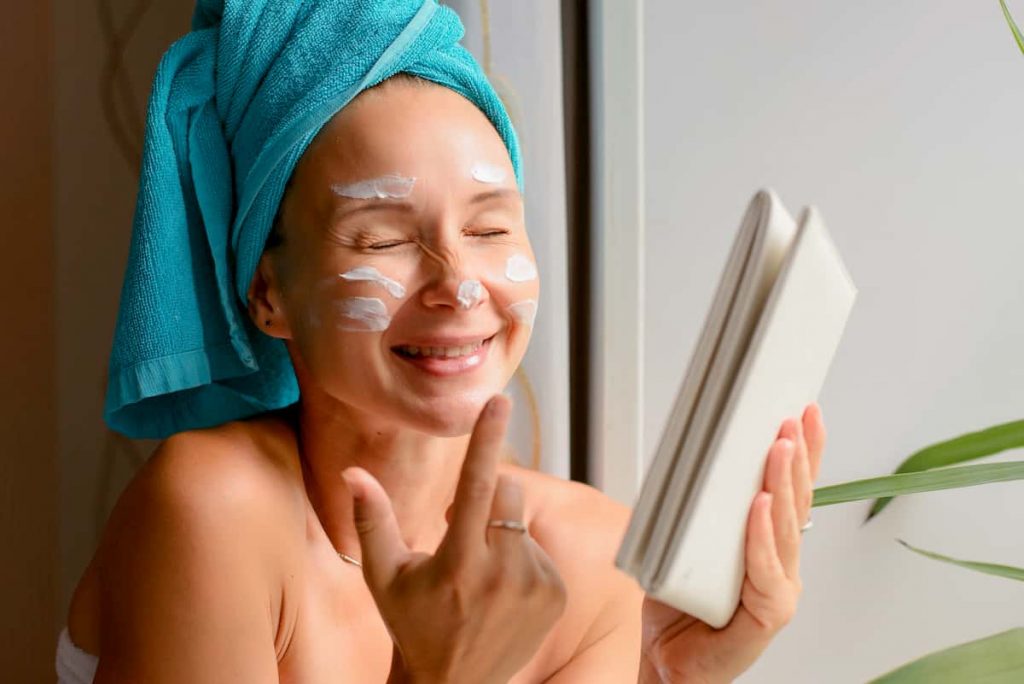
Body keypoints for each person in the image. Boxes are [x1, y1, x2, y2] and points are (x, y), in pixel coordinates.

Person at [59, 1, 826, 682]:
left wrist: (671, 677)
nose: (459, 284)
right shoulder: (213, 510)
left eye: (490, 228)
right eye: (383, 239)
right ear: (269, 295)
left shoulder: (588, 562)